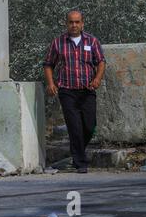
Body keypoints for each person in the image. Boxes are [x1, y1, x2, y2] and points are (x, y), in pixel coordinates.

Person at [43, 10, 106, 173]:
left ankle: (76, 152)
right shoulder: (58, 43)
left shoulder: (92, 41)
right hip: (67, 91)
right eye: (71, 22)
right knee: (74, 127)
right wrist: (51, 83)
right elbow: (48, 64)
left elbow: (100, 62)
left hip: (87, 90)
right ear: (66, 24)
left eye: (77, 22)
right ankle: (80, 162)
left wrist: (97, 78)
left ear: (82, 23)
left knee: (90, 125)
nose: (74, 25)